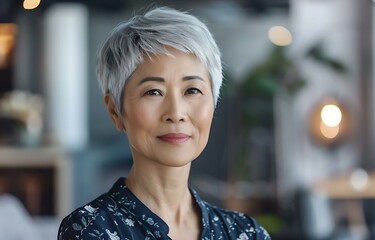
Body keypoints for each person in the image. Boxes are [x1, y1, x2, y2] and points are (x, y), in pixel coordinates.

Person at [58, 6, 271, 240]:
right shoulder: (90, 230)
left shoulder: (246, 233)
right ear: (115, 110)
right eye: (153, 92)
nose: (176, 113)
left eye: (192, 90)